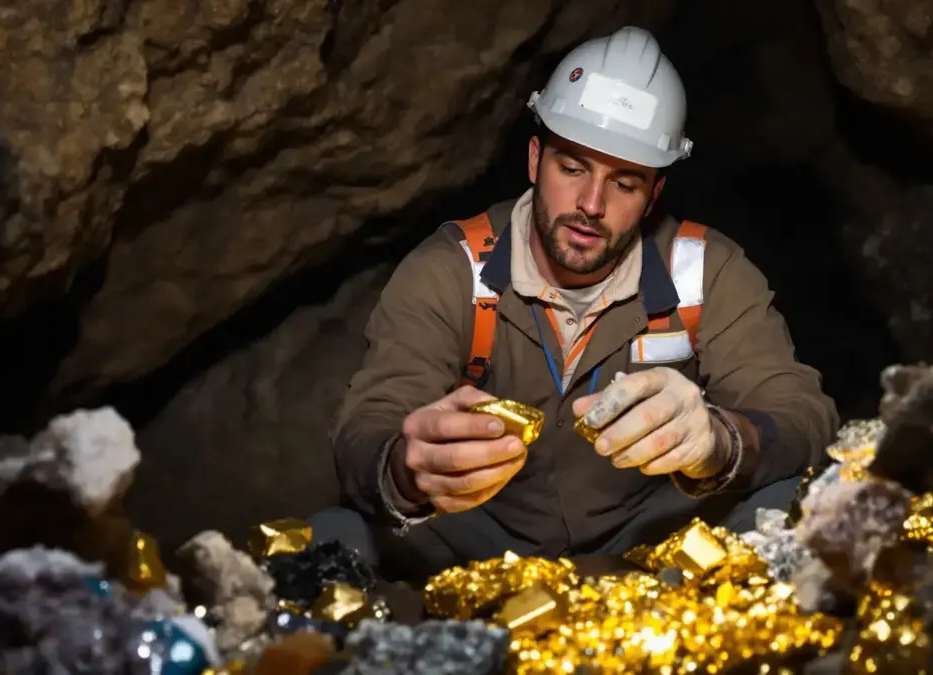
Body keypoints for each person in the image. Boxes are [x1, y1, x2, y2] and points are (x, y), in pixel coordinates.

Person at [314, 25, 839, 581]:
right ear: (535, 159)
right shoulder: (452, 268)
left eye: (626, 183)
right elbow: (369, 419)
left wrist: (721, 442)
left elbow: (802, 414)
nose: (591, 204)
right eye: (572, 168)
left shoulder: (707, 270)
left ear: (654, 194)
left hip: (653, 542)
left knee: (798, 504)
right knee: (334, 538)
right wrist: (408, 467)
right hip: (477, 536)